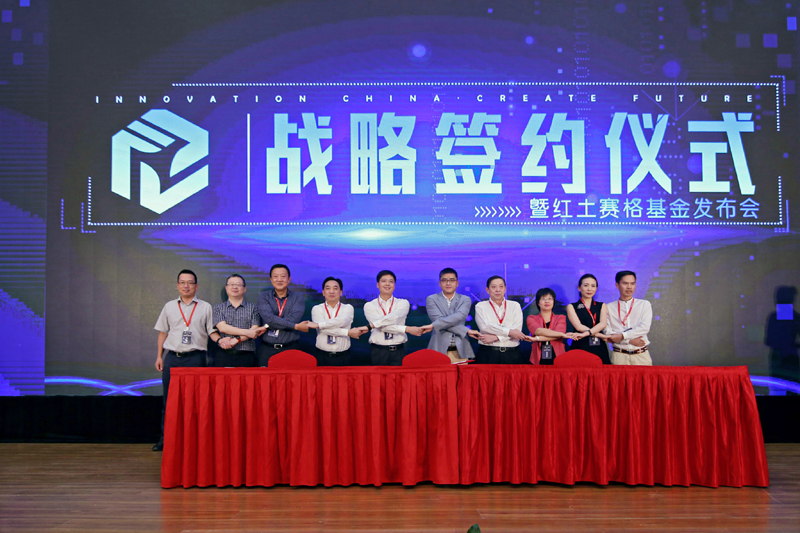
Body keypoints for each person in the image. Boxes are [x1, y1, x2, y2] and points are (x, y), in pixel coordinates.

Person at [153, 269, 221, 451]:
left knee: (195, 402)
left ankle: (194, 440)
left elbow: (212, 331)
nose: (186, 286)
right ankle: (166, 439)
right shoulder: (169, 306)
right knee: (169, 401)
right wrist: (159, 356)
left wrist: (222, 341)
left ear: (196, 286)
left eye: (190, 282)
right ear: (177, 285)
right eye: (182, 282)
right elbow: (163, 332)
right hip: (172, 359)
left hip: (195, 358)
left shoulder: (205, 307)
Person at [363, 270, 431, 366]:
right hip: (378, 351)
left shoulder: (403, 303)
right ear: (378, 284)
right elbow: (381, 327)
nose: (387, 284)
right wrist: (406, 329)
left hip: (398, 351)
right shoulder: (370, 305)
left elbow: (392, 319)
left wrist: (373, 325)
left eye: (391, 281)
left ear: (394, 285)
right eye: (384, 281)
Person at [256, 264, 308, 366]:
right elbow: (269, 318)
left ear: (289, 279)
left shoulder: (297, 297)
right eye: (275, 276)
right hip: (267, 350)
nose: (279, 279)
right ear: (271, 279)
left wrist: (268, 325)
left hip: (290, 349)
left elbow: (293, 319)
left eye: (283, 276)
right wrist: (295, 326)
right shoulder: (264, 296)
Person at [211, 274, 267, 368]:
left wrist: (236, 340)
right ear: (226, 288)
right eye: (231, 284)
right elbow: (223, 328)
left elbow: (254, 330)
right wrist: (248, 332)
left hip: (247, 356)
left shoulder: (253, 308)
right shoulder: (218, 308)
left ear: (244, 289)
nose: (235, 287)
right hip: (224, 355)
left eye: (238, 284)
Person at [308, 277, 365, 366]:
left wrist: (319, 325)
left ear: (341, 292)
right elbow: (324, 330)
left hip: (343, 356)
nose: (331, 291)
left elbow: (342, 321)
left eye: (335, 288)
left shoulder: (348, 308)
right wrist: (347, 332)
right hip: (321, 356)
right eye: (328, 288)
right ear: (323, 292)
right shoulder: (317, 309)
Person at [601, 270, 653, 365]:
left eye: (632, 283)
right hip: (619, 356)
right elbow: (608, 332)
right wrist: (629, 340)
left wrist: (621, 336)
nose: (629, 287)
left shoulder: (644, 304)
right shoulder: (608, 307)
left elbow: (644, 328)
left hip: (641, 356)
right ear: (617, 285)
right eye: (625, 283)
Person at [471, 275, 526, 364]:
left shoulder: (515, 305)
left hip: (512, 353)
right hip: (488, 353)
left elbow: (517, 331)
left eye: (501, 286)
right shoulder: (481, 306)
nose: (498, 290)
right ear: (487, 290)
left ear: (505, 289)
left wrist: (496, 337)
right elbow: (485, 327)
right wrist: (509, 332)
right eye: (493, 287)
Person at [425, 268, 475, 362]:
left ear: (457, 283)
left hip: (460, 351)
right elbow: (438, 320)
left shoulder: (465, 299)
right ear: (440, 283)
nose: (448, 283)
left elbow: (459, 316)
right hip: (438, 350)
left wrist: (434, 325)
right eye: (444, 280)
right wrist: (466, 331)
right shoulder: (431, 299)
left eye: (452, 280)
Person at [566, 274, 611, 364]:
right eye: (586, 285)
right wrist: (599, 335)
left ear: (596, 288)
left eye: (593, 286)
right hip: (580, 344)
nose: (589, 289)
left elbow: (603, 324)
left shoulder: (602, 305)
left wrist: (587, 333)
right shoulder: (572, 306)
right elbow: (578, 327)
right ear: (579, 288)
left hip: (599, 346)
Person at [526, 287, 574, 365]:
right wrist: (561, 334)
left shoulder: (561, 317)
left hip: (558, 357)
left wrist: (537, 338)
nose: (547, 301)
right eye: (543, 299)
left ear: (553, 301)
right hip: (538, 358)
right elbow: (538, 331)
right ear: (538, 302)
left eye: (550, 298)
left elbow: (558, 336)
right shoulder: (531, 318)